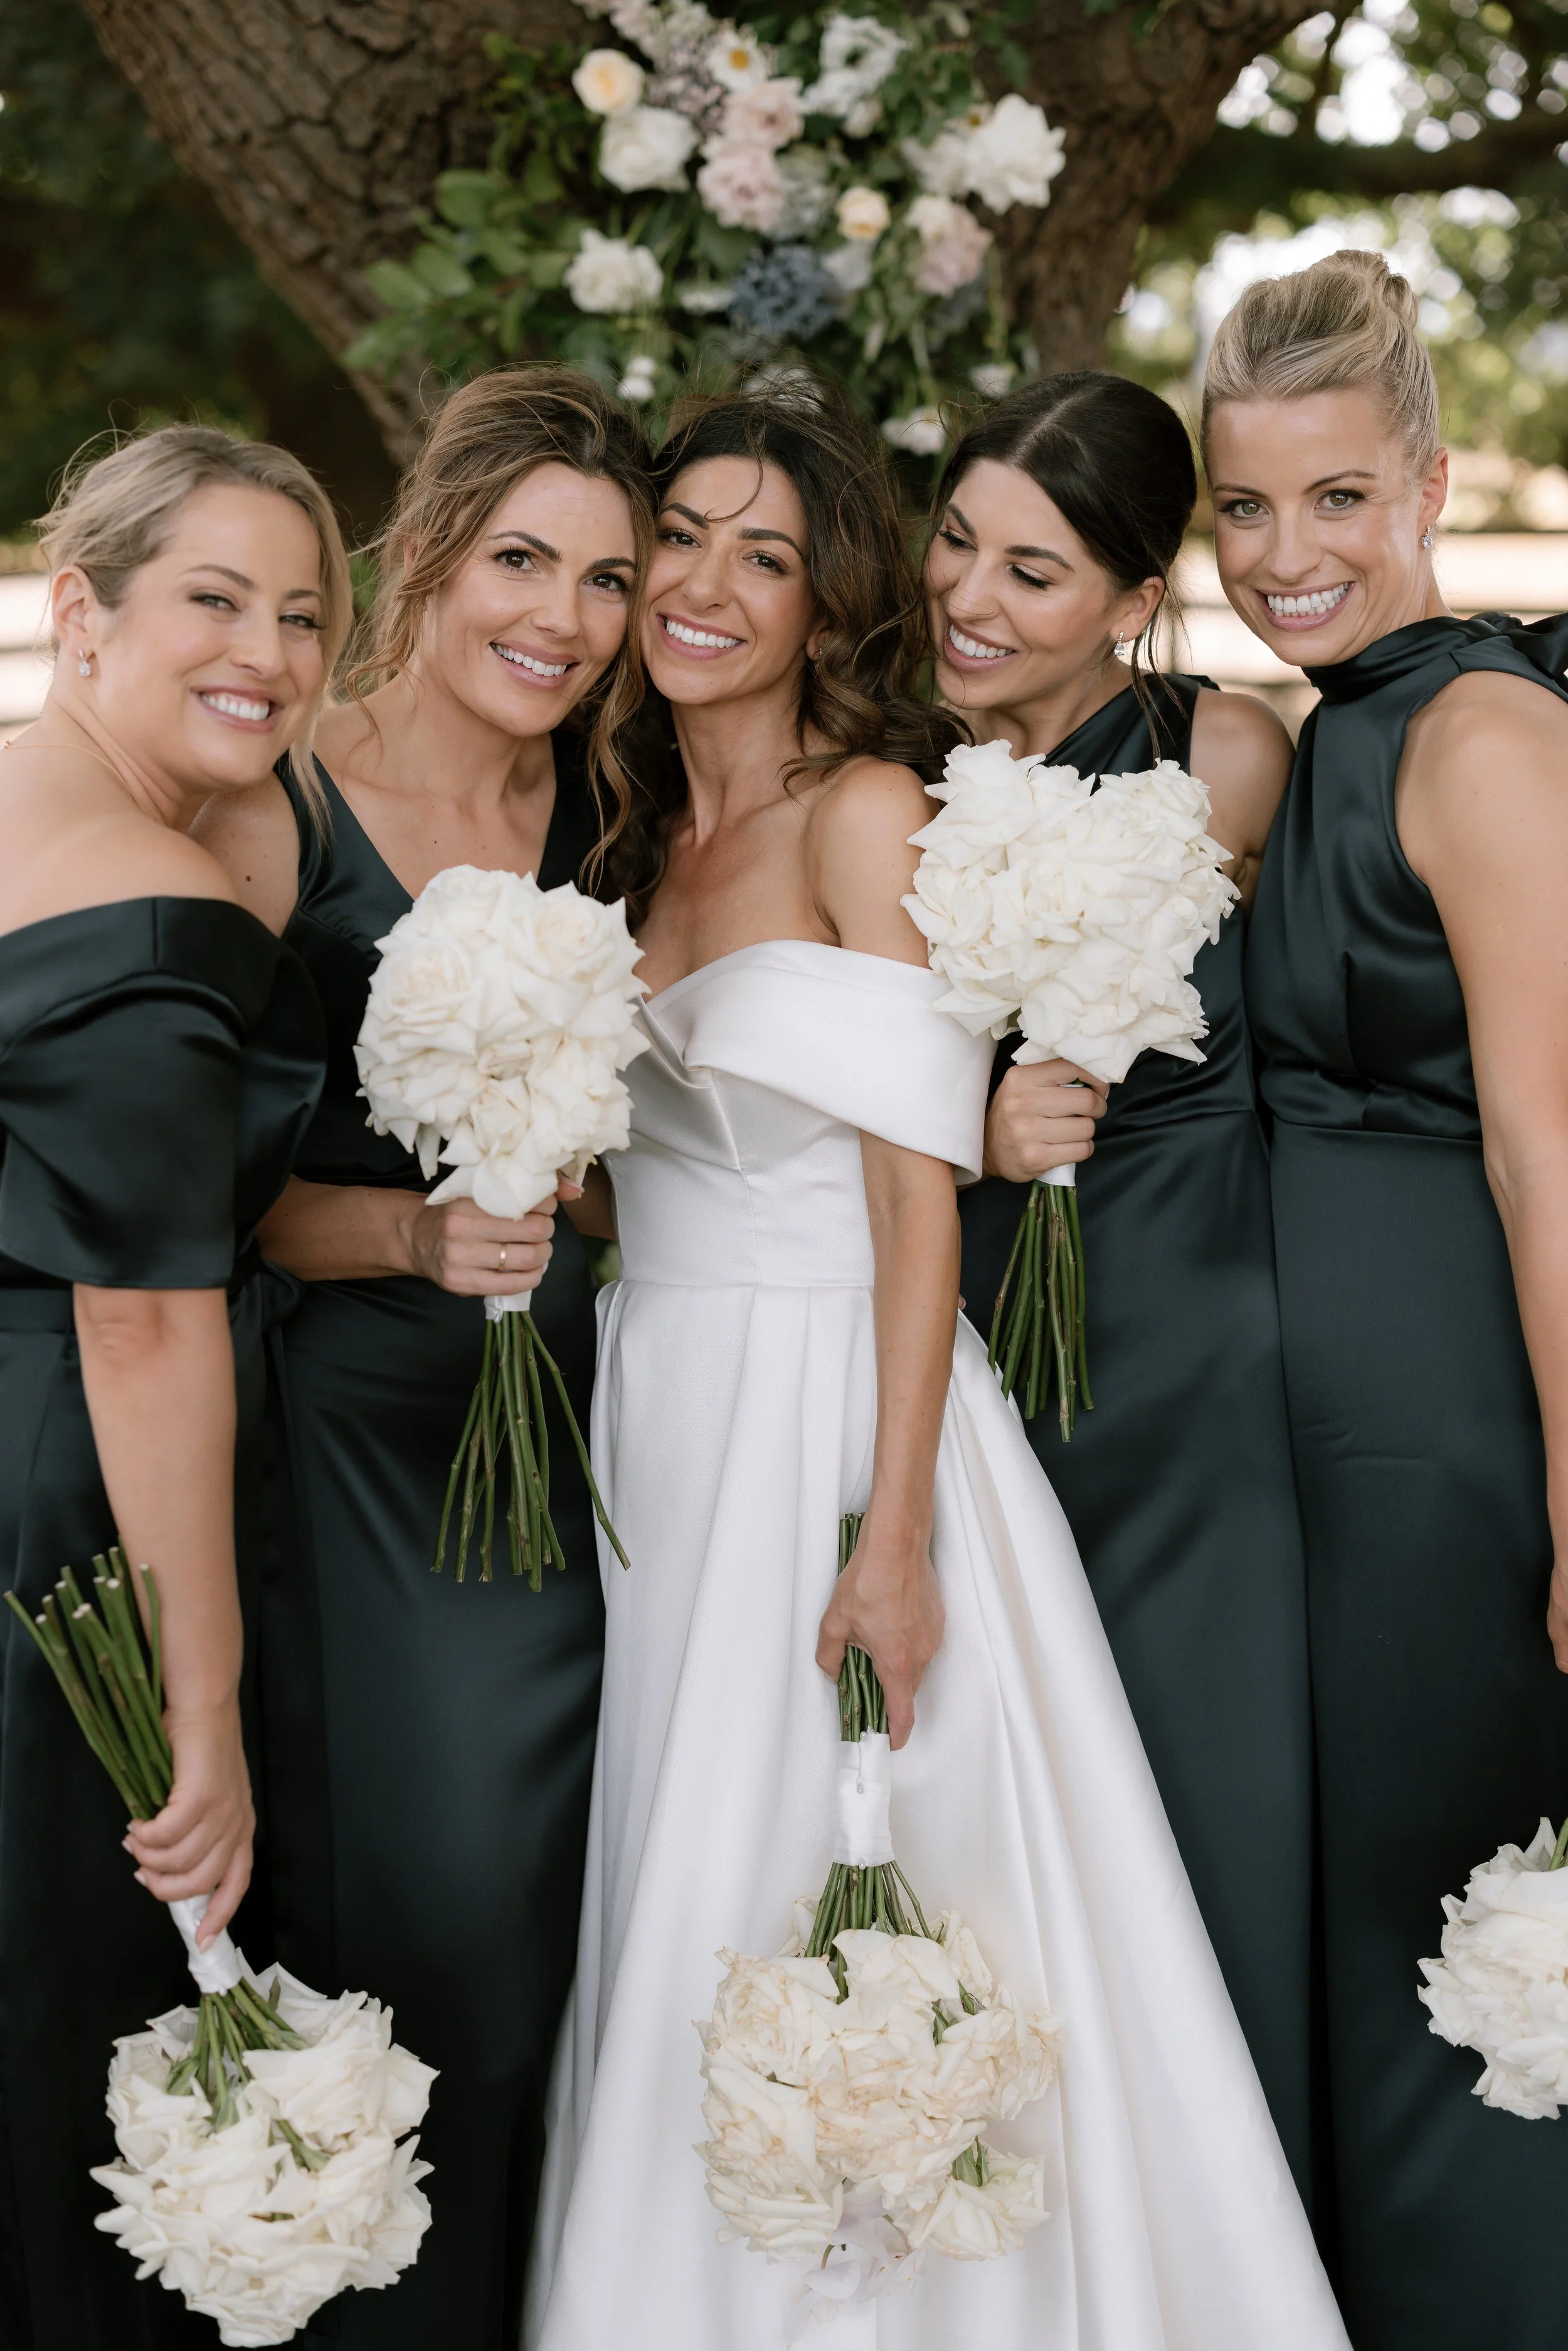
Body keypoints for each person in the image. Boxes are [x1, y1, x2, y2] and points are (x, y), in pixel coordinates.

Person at [524, 386, 1348, 2351]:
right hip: (667, 1433)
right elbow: (642, 1187)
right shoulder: (631, 833)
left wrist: (892, 1535)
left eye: (768, 554)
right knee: (689, 1865)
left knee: (878, 1866)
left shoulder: (864, 810)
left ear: (826, 607)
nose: (708, 586)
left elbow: (914, 1212)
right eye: (686, 537)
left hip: (838, 1414)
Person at [196, 365, 651, 2349]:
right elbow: (211, 1199)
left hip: (575, 1433)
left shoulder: (616, 804)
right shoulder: (285, 797)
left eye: (608, 581)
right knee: (438, 1907)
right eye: (521, 560)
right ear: (431, 556)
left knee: (569, 1919)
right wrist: (410, 1229)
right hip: (366, 1442)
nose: (559, 617)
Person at [1207, 248, 1568, 2347]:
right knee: (1362, 1928)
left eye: (1335, 499)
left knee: (1460, 1936)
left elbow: (1545, 1140)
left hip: (1453, 1440)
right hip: (1314, 1465)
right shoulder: (1311, 740)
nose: (1283, 555)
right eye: (1243, 509)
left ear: (1425, 482)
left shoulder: (1480, 735)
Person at [926, 373, 1316, 2200]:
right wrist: (967, 1105)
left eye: (1032, 569)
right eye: (955, 543)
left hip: (1194, 1346)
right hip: (977, 1320)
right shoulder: (881, 763)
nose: (969, 599)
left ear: (1128, 600)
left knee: (1203, 1784)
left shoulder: (1223, 753)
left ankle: (1224, 2218)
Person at [0, 426, 346, 2348]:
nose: (273, 650)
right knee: (95, 2025)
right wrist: (197, 1712)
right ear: (82, 609)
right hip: (79, 1514)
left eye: (301, 613)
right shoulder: (152, 901)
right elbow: (143, 1319)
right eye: (213, 599)